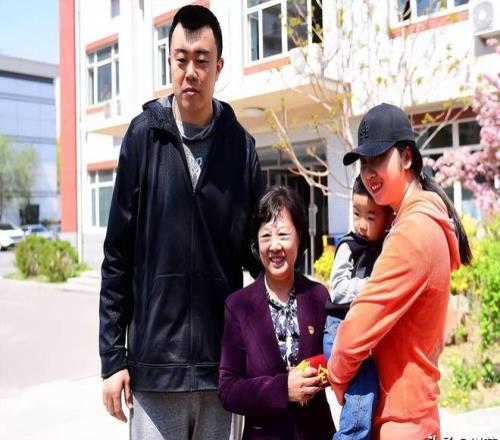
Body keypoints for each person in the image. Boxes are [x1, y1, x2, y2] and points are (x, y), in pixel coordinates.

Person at [99, 5, 262, 440]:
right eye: (181, 59)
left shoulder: (241, 148)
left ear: (218, 67)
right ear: (169, 61)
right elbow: (117, 257)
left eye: (202, 60)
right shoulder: (143, 137)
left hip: (222, 368)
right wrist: (113, 359)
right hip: (155, 371)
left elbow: (259, 255)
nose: (191, 71)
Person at [327, 103, 472, 439]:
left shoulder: (412, 232)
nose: (368, 173)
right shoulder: (420, 221)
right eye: (363, 163)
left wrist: (338, 375)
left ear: (407, 157)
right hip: (413, 413)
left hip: (402, 421)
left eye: (377, 158)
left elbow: (358, 327)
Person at [218, 186, 335, 440]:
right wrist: (283, 389)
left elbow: (336, 359)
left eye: (283, 234)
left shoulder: (318, 296)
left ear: (299, 237)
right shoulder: (238, 306)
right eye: (266, 236)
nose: (274, 246)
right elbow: (228, 389)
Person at [323, 175, 393, 440]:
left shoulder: (388, 245)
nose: (361, 224)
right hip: (339, 328)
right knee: (362, 392)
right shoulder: (348, 246)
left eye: (371, 217)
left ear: (387, 217)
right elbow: (337, 289)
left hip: (362, 332)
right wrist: (372, 285)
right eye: (356, 213)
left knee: (370, 395)